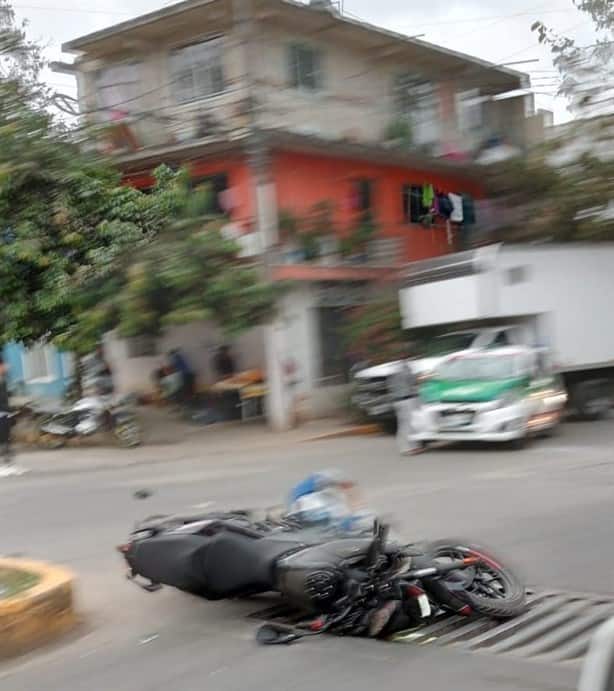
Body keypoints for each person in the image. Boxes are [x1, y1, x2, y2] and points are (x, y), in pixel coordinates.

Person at [390, 360, 424, 457]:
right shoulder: (405, 369)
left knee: (407, 424)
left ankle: (414, 446)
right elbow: (413, 382)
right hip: (406, 400)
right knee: (407, 425)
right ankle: (406, 449)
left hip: (397, 401)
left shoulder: (394, 370)